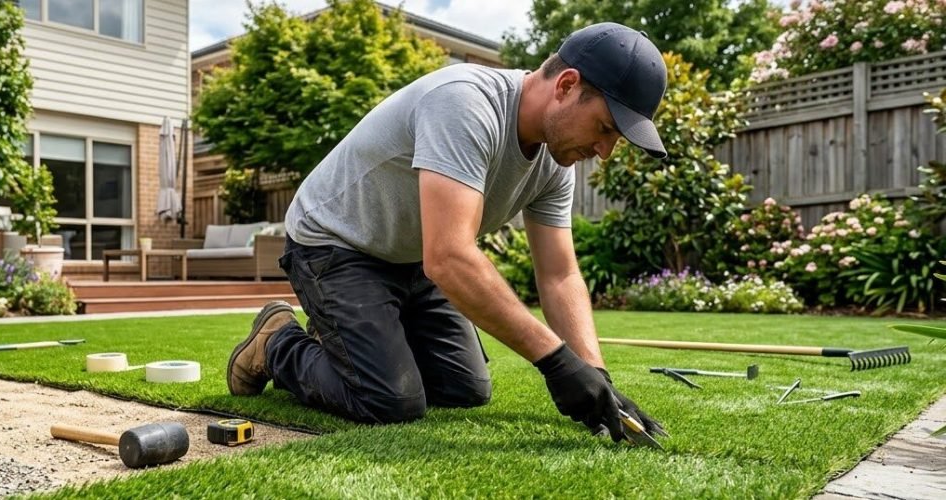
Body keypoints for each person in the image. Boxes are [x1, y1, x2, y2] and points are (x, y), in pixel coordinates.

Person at [226, 22, 668, 442]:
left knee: (465, 389)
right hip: (336, 244)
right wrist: (556, 363)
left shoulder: (555, 163)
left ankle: (351, 339)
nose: (605, 151)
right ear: (567, 85)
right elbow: (450, 257)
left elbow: (559, 275)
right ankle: (277, 343)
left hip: (413, 256)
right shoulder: (465, 103)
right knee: (389, 401)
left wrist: (595, 375)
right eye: (605, 128)